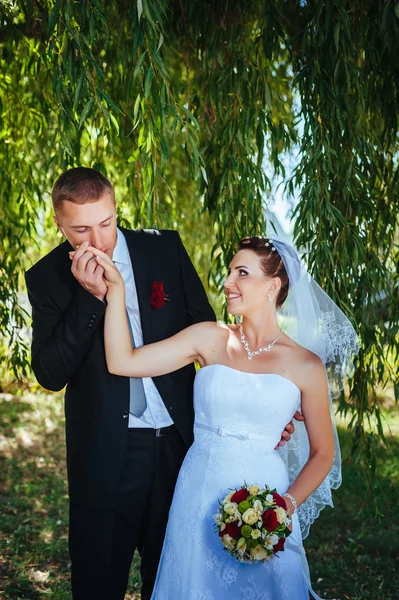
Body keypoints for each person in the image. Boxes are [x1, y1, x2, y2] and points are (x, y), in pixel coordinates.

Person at [25, 168, 296, 600]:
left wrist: (261, 409)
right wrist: (89, 297)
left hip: (183, 449)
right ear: (59, 224)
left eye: (106, 223)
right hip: (105, 452)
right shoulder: (46, 277)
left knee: (175, 578)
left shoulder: (164, 249)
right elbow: (50, 374)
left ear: (116, 211)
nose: (98, 241)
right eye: (80, 230)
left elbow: (214, 342)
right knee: (98, 580)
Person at [84, 235, 360, 600]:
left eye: (242, 273)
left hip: (266, 497)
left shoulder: (305, 365)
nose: (228, 282)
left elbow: (323, 452)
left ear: (272, 286)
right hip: (198, 490)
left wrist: (283, 507)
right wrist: (115, 292)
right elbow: (123, 362)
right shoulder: (209, 338)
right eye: (230, 271)